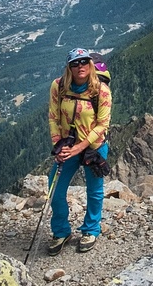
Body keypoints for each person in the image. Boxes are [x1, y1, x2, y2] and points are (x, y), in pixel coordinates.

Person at [46, 47, 112, 255]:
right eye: (74, 63)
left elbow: (102, 124)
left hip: (93, 147)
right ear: (69, 67)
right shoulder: (58, 86)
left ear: (90, 64)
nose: (79, 66)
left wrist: (80, 147)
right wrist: (59, 145)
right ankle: (61, 231)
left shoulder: (101, 90)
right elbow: (53, 117)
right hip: (67, 146)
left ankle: (91, 229)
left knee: (94, 191)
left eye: (83, 62)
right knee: (55, 190)